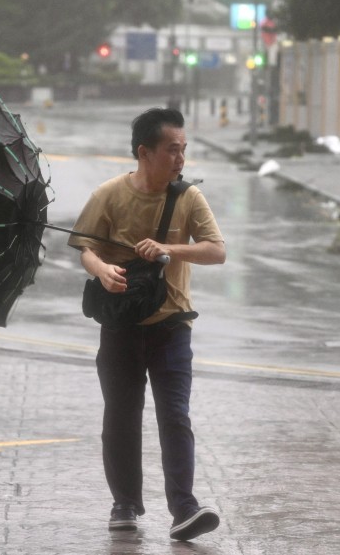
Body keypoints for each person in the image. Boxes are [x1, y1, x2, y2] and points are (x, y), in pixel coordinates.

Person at [68, 108, 226, 541]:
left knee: (175, 415)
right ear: (144, 152)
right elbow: (85, 248)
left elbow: (216, 250)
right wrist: (102, 270)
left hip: (172, 325)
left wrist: (171, 248)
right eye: (172, 150)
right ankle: (125, 503)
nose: (180, 158)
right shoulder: (109, 194)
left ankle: (184, 509)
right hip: (120, 325)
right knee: (121, 415)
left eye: (183, 149)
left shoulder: (188, 197)